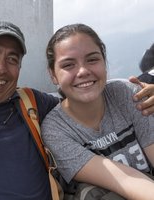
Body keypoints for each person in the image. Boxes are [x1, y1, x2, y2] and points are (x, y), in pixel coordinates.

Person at [0, 21, 154, 200]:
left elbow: (82, 98)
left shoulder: (35, 105)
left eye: (12, 58)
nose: (0, 67)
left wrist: (147, 90)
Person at [41, 23, 154, 199]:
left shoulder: (125, 93)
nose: (83, 71)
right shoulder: (56, 130)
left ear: (104, 62)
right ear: (53, 75)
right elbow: (124, 179)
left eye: (92, 59)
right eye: (68, 65)